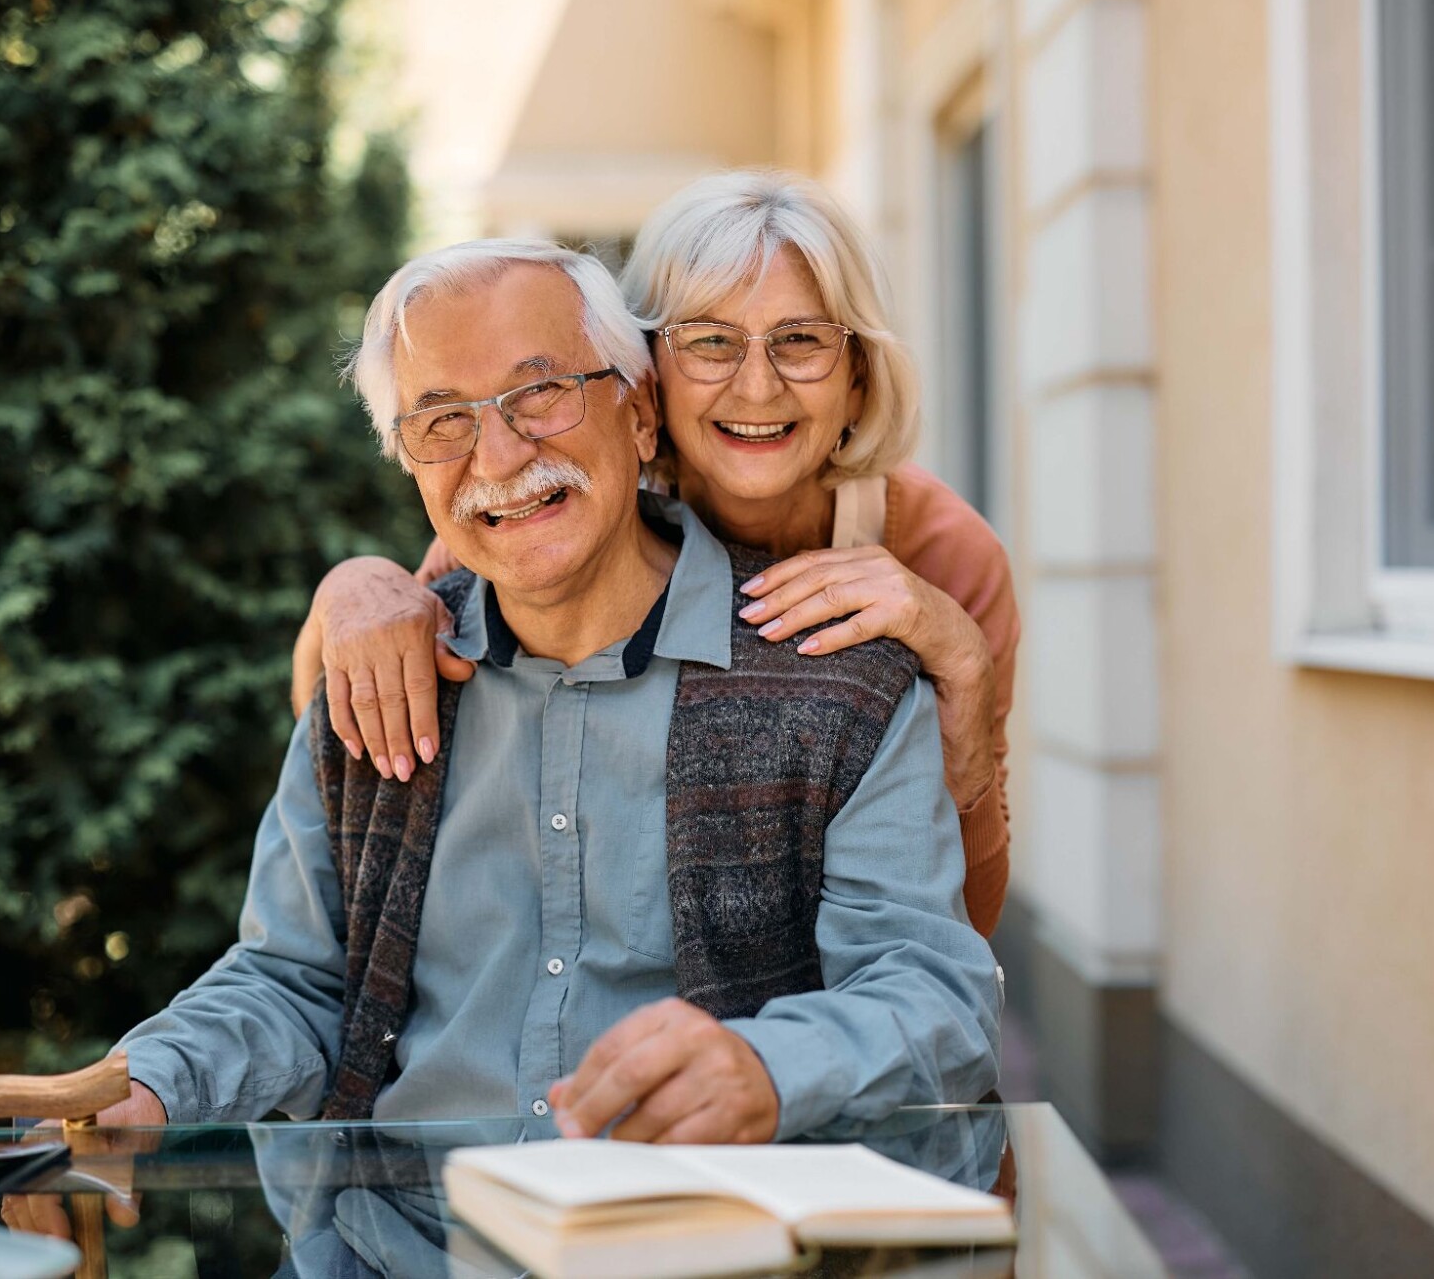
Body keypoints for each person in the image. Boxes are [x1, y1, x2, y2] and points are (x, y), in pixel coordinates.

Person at [75, 239, 999, 1146]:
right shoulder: (376, 676)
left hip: (689, 1244)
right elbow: (291, 980)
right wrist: (144, 1085)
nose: (500, 455)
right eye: (442, 420)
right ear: (410, 464)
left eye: (540, 393)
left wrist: (770, 1069)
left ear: (641, 415)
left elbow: (932, 996)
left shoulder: (839, 679)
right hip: (397, 1248)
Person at [293, 170, 1019, 935]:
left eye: (800, 340)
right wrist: (351, 587)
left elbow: (959, 933)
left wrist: (965, 670)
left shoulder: (944, 555)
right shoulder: (561, 513)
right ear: (647, 375)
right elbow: (339, 730)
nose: (758, 386)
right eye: (710, 341)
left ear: (859, 377)